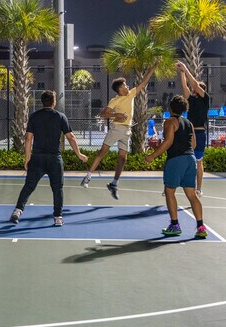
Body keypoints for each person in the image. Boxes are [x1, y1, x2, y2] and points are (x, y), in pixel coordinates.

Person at [80, 59, 160, 199]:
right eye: (125, 85)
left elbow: (144, 82)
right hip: (116, 128)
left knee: (123, 158)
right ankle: (87, 177)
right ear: (120, 89)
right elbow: (103, 114)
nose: (128, 86)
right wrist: (116, 114)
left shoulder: (132, 94)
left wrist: (154, 66)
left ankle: (114, 184)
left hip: (127, 130)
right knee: (102, 152)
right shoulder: (115, 100)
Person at [10, 90, 88, 227]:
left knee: (29, 186)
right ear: (54, 102)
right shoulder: (60, 116)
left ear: (42, 101)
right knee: (57, 189)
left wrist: (27, 158)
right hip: (54, 160)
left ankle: (17, 211)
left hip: (37, 159)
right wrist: (79, 154)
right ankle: (58, 217)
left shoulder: (34, 116)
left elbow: (28, 138)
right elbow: (71, 137)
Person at [145, 95, 207, 239]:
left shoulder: (170, 122)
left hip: (176, 159)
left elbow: (168, 142)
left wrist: (152, 156)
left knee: (169, 192)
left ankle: (175, 225)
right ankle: (201, 226)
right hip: (191, 159)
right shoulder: (189, 123)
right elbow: (194, 145)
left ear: (170, 108)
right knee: (192, 195)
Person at [176, 61, 209, 197]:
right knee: (183, 158)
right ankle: (175, 184)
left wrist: (186, 68)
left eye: (198, 88)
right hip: (189, 132)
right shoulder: (191, 99)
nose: (195, 88)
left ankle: (199, 188)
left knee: (199, 161)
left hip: (200, 132)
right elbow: (185, 86)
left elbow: (194, 84)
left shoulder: (205, 98)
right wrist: (182, 73)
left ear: (202, 90)